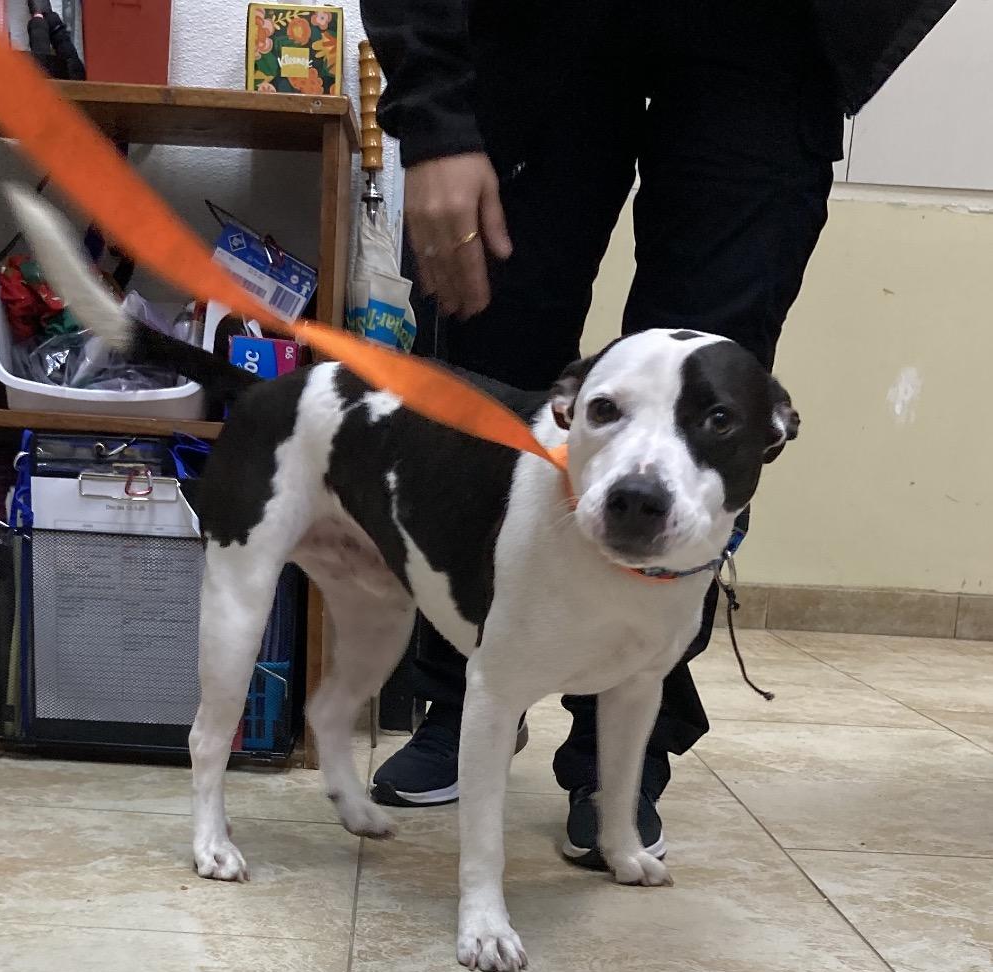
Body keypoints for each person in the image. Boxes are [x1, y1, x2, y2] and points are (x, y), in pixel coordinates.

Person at [359, 0, 955, 868]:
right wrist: (436, 119)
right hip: (531, 35)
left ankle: (623, 749)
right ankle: (463, 691)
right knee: (485, 376)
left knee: (715, 405)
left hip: (768, 42)